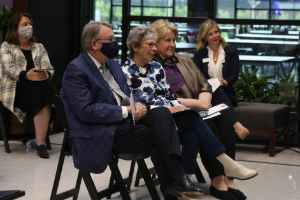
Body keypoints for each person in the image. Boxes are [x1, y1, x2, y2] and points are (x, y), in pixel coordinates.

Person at [60, 21, 205, 200]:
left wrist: (134, 105)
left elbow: (125, 95)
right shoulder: (76, 69)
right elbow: (86, 110)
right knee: (159, 135)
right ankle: (177, 181)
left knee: (161, 115)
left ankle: (176, 182)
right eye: (110, 39)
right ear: (94, 43)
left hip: (123, 124)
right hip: (99, 130)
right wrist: (126, 110)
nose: (115, 43)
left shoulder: (111, 64)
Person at [121, 25, 258, 189]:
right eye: (150, 45)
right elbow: (141, 106)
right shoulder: (125, 73)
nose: (154, 49)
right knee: (193, 119)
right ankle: (225, 163)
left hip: (167, 117)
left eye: (155, 45)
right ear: (135, 46)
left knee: (192, 134)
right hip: (146, 123)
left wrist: (176, 106)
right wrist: (170, 107)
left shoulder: (156, 68)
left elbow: (167, 96)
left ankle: (185, 182)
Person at [150, 19, 246, 200]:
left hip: (198, 107)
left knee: (224, 122)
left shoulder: (184, 58)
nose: (173, 44)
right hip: (176, 115)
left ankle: (228, 177)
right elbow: (164, 98)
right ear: (155, 43)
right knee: (206, 123)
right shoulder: (153, 66)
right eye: (168, 40)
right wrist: (197, 104)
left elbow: (204, 82)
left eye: (174, 40)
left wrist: (204, 99)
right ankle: (217, 180)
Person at [0, 13, 57, 158]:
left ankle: (40, 143)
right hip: (15, 88)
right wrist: (26, 75)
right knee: (45, 91)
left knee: (41, 87)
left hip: (38, 88)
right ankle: (57, 107)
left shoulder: (39, 47)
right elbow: (9, 68)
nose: (28, 27)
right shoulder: (6, 47)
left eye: (30, 24)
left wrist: (46, 74)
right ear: (15, 28)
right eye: (24, 24)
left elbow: (49, 67)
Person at [193, 19, 250, 141]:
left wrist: (223, 82)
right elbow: (196, 76)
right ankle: (237, 125)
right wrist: (211, 82)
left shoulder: (231, 52)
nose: (215, 36)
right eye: (210, 34)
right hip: (204, 94)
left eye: (216, 32)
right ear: (204, 38)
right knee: (212, 88)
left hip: (226, 93)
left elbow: (235, 74)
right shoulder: (199, 53)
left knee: (217, 90)